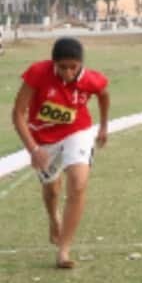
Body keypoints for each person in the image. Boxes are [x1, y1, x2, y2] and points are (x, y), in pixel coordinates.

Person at [12, 38, 110, 269]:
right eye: (62, 67)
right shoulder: (37, 73)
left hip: (77, 132)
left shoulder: (91, 79)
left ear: (81, 64)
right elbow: (17, 114)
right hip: (43, 139)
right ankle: (53, 218)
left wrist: (104, 126)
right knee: (52, 190)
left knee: (78, 183)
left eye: (73, 67)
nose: (68, 73)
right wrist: (33, 149)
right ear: (53, 63)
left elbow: (104, 95)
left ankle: (64, 251)